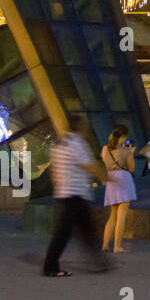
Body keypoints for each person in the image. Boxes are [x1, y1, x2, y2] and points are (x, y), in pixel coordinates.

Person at [43, 114, 109, 277]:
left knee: (80, 231)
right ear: (81, 127)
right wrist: (108, 177)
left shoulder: (61, 144)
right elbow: (89, 166)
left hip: (64, 194)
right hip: (75, 196)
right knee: (66, 234)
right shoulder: (77, 144)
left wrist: (60, 184)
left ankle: (100, 262)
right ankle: (50, 267)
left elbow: (53, 171)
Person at [100, 124, 136, 253]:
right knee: (122, 215)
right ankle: (117, 246)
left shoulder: (105, 149)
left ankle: (105, 245)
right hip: (124, 179)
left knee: (113, 215)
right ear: (123, 137)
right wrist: (131, 153)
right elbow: (132, 168)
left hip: (111, 180)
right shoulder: (125, 151)